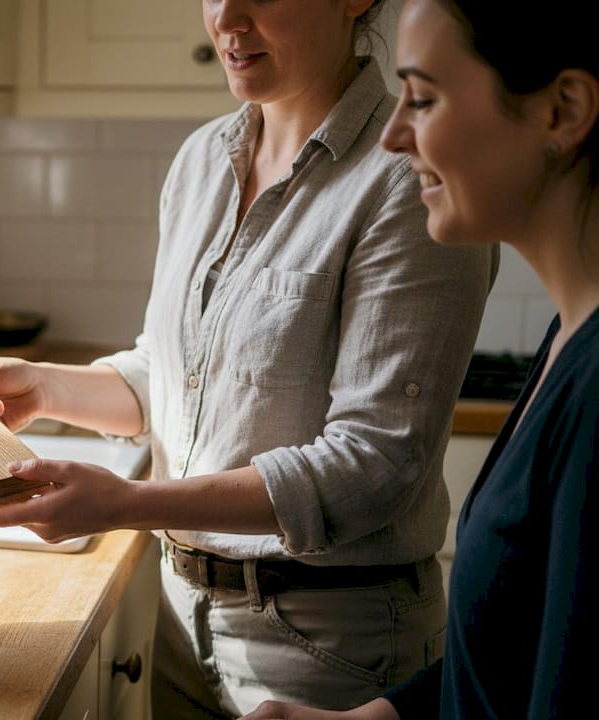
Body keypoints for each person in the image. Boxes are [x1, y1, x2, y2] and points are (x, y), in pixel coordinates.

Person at [0, 0, 499, 716]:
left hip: (330, 645)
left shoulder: (406, 180)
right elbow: (174, 380)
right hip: (181, 618)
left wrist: (126, 505)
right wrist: (43, 387)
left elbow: (374, 465)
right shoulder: (203, 159)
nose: (226, 17)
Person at [237, 0, 599, 718]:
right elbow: (508, 654)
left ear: (562, 111)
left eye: (424, 99)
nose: (395, 135)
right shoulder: (568, 338)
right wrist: (371, 717)